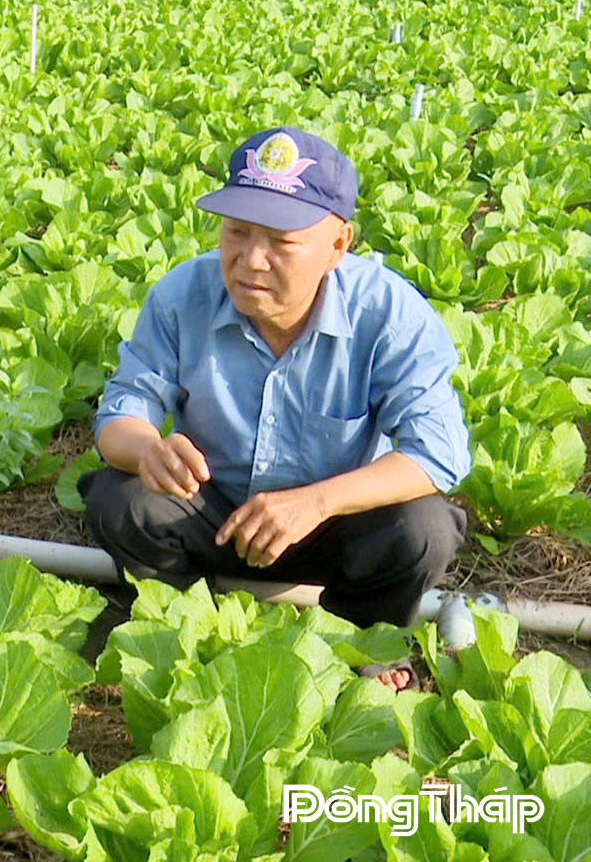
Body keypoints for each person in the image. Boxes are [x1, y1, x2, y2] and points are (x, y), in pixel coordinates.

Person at [80, 127, 471, 676]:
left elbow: (441, 452)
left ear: (339, 245)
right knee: (123, 501)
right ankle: (182, 631)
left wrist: (315, 503)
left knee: (422, 527)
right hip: (216, 516)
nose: (251, 260)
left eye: (282, 242)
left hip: (338, 531)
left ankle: (359, 650)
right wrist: (146, 449)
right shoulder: (180, 295)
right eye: (236, 232)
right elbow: (121, 413)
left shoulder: (389, 315)